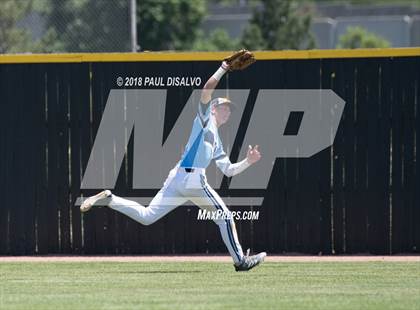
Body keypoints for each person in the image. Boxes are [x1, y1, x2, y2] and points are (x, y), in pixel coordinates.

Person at [80, 53, 266, 271]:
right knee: (225, 218)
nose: (228, 112)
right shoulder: (205, 119)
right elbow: (207, 89)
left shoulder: (216, 141)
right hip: (192, 179)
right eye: (224, 108)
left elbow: (228, 170)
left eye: (230, 110)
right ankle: (240, 261)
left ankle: (110, 198)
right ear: (213, 109)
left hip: (179, 178)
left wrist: (248, 161)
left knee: (147, 216)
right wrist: (223, 67)